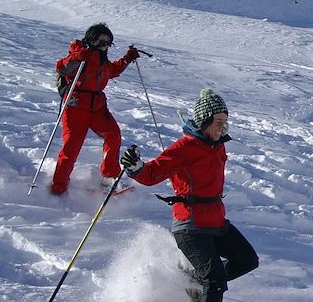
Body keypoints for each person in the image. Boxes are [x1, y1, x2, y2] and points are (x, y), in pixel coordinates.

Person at [120, 88, 258, 302]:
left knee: (247, 260)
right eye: (218, 122)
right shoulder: (184, 147)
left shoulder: (217, 146)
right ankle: (200, 283)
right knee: (214, 281)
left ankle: (192, 280)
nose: (223, 128)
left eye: (225, 122)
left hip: (216, 221)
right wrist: (136, 167)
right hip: (191, 226)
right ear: (204, 121)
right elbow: (152, 173)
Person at [50, 23, 140, 195]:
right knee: (71, 147)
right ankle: (58, 188)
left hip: (97, 106)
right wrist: (77, 57)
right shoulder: (79, 54)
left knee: (113, 134)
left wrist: (127, 59)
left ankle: (109, 177)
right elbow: (61, 68)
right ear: (90, 39)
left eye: (107, 43)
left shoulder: (102, 60)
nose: (104, 45)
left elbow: (112, 70)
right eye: (100, 41)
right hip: (76, 105)